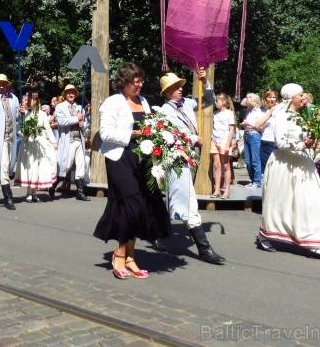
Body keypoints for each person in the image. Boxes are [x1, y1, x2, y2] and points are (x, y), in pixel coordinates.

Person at [93, 62, 171, 279]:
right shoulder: (113, 102)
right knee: (132, 205)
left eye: (141, 81)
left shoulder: (144, 102)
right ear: (125, 82)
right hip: (120, 158)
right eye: (136, 82)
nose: (140, 85)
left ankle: (130, 257)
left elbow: (152, 129)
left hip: (142, 159)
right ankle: (119, 255)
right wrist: (132, 135)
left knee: (143, 206)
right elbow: (105, 133)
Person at [257, 83, 320, 259]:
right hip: (284, 164)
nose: (303, 97)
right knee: (280, 203)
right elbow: (281, 143)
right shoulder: (281, 116)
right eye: (300, 95)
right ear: (292, 98)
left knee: (311, 201)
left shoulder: (300, 116)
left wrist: (315, 141)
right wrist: (303, 144)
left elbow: (305, 138)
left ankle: (313, 240)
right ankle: (265, 234)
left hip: (303, 164)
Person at [158, 70, 224, 265]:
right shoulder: (164, 111)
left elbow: (210, 99)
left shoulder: (187, 103)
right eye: (176, 87)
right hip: (176, 158)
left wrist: (205, 81)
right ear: (167, 91)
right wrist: (194, 138)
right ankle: (204, 249)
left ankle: (156, 232)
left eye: (180, 85)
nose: (180, 89)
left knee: (178, 197)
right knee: (189, 201)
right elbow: (168, 136)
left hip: (191, 156)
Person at [0, 73, 23, 210]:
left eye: (3, 83)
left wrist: (21, 113)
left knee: (8, 167)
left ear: (7, 84)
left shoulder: (14, 99)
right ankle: (8, 197)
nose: (1, 86)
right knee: (4, 167)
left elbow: (17, 118)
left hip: (11, 137)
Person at [15, 89, 58, 202]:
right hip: (28, 142)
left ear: (36, 101)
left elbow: (47, 129)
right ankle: (29, 192)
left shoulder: (42, 114)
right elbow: (19, 128)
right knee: (30, 166)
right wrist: (24, 130)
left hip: (39, 142)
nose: (30, 102)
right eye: (28, 100)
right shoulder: (25, 113)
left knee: (38, 167)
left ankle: (34, 193)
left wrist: (54, 142)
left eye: (32, 100)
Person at [53, 84, 90, 201]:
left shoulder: (80, 107)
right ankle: (52, 186)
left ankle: (80, 192)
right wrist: (76, 119)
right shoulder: (60, 107)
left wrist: (83, 125)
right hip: (68, 141)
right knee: (66, 166)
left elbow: (86, 125)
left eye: (73, 92)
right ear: (65, 94)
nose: (71, 94)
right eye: (68, 92)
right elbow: (61, 122)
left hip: (79, 140)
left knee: (81, 166)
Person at [210, 93, 235, 199]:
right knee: (216, 165)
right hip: (214, 141)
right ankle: (216, 189)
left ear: (224, 102)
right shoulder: (215, 113)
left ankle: (227, 190)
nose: (216, 103)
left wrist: (227, 144)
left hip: (224, 141)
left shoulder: (229, 113)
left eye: (217, 101)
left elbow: (232, 129)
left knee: (225, 165)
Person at [254, 90, 279, 176]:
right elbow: (257, 125)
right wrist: (270, 112)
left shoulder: (280, 111)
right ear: (265, 99)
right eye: (269, 97)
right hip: (264, 141)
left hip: (275, 142)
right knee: (265, 170)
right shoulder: (261, 112)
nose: (272, 99)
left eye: (274, 97)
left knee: (274, 169)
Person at [241, 93, 263, 188]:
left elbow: (261, 127)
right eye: (247, 97)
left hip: (254, 136)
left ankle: (257, 182)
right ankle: (253, 179)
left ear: (254, 99)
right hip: (246, 135)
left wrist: (248, 123)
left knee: (255, 160)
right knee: (248, 161)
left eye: (249, 97)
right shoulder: (248, 111)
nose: (247, 98)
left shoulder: (259, 112)